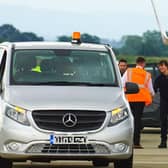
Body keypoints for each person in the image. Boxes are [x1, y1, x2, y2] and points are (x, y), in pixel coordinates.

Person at [122, 57, 154, 149]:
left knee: (127, 120)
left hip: (129, 98)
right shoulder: (147, 74)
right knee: (137, 120)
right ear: (143, 64)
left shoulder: (128, 71)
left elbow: (122, 83)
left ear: (136, 63)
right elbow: (151, 90)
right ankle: (136, 142)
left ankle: (126, 142)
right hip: (140, 100)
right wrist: (152, 95)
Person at [154, 60, 168, 148]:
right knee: (163, 122)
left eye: (162, 66)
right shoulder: (159, 78)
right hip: (164, 102)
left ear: (167, 66)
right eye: (159, 66)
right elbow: (154, 89)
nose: (161, 68)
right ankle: (163, 142)